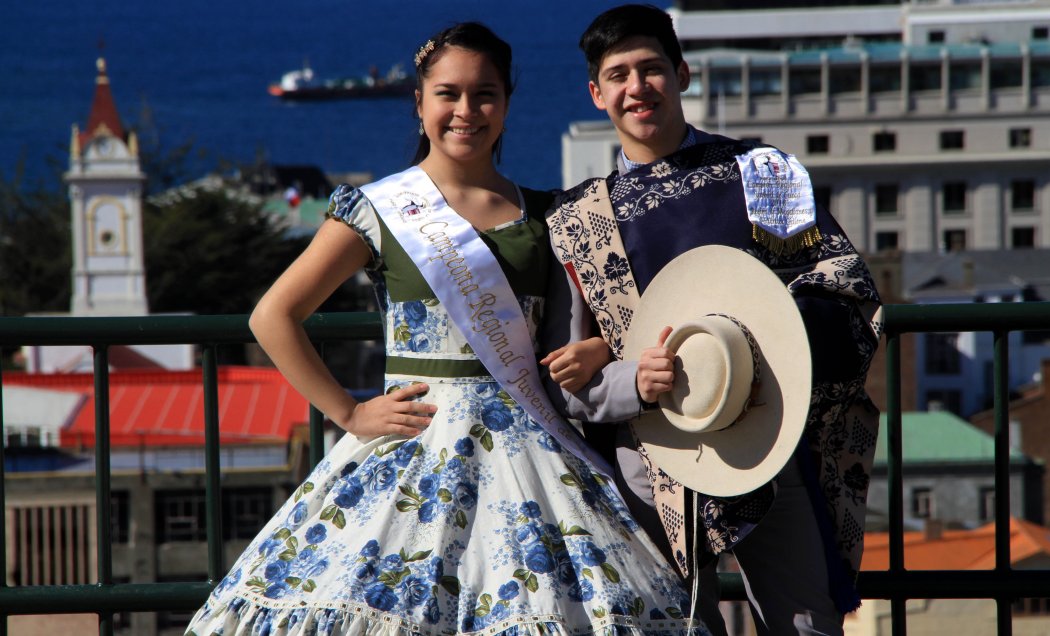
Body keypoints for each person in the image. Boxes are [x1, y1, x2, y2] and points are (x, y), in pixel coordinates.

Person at [184, 22, 710, 636]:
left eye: (485, 94)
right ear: (419, 102)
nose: (466, 111)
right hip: (417, 443)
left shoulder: (551, 214)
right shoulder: (378, 210)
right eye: (448, 94)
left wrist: (596, 347)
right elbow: (273, 316)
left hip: (534, 454)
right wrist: (349, 413)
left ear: (506, 103)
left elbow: (593, 324)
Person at [540, 5, 884, 635]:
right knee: (675, 629)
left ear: (682, 74)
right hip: (654, 462)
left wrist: (749, 345)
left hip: (771, 442)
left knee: (807, 625)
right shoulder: (577, 220)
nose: (637, 87)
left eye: (651, 69)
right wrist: (627, 375)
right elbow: (566, 384)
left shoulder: (765, 172)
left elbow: (843, 290)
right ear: (596, 94)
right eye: (618, 75)